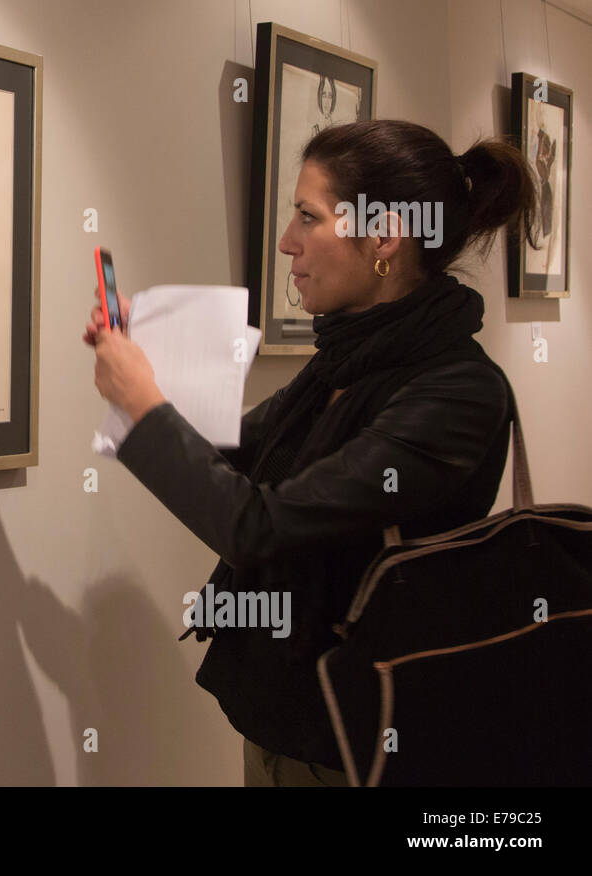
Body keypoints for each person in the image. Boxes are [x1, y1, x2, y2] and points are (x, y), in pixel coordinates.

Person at [85, 119, 540, 786]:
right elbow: (240, 458)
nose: (286, 242)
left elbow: (258, 526)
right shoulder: (348, 359)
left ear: (384, 238)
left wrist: (143, 406)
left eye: (308, 216)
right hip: (287, 721)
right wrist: (146, 364)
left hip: (360, 749)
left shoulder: (458, 394)